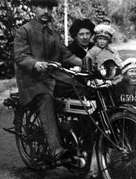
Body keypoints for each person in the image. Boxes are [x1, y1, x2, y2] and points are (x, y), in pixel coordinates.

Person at [14, 0, 83, 162]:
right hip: (32, 82)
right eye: (42, 7)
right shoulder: (24, 31)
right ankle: (55, 148)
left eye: (49, 8)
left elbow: (66, 54)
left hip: (54, 77)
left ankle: (78, 136)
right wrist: (36, 64)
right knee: (46, 98)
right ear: (34, 8)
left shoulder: (53, 32)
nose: (46, 11)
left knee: (82, 89)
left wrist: (85, 62)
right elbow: (20, 56)